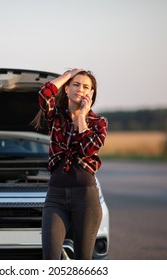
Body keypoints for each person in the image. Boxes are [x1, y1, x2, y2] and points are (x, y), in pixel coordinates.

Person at [32, 68, 108, 259]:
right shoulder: (55, 116)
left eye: (85, 87)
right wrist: (67, 75)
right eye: (75, 84)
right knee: (49, 259)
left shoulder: (99, 122)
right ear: (66, 89)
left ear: (91, 94)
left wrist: (82, 117)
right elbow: (44, 94)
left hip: (86, 198)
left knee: (83, 260)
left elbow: (87, 149)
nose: (80, 89)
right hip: (56, 196)